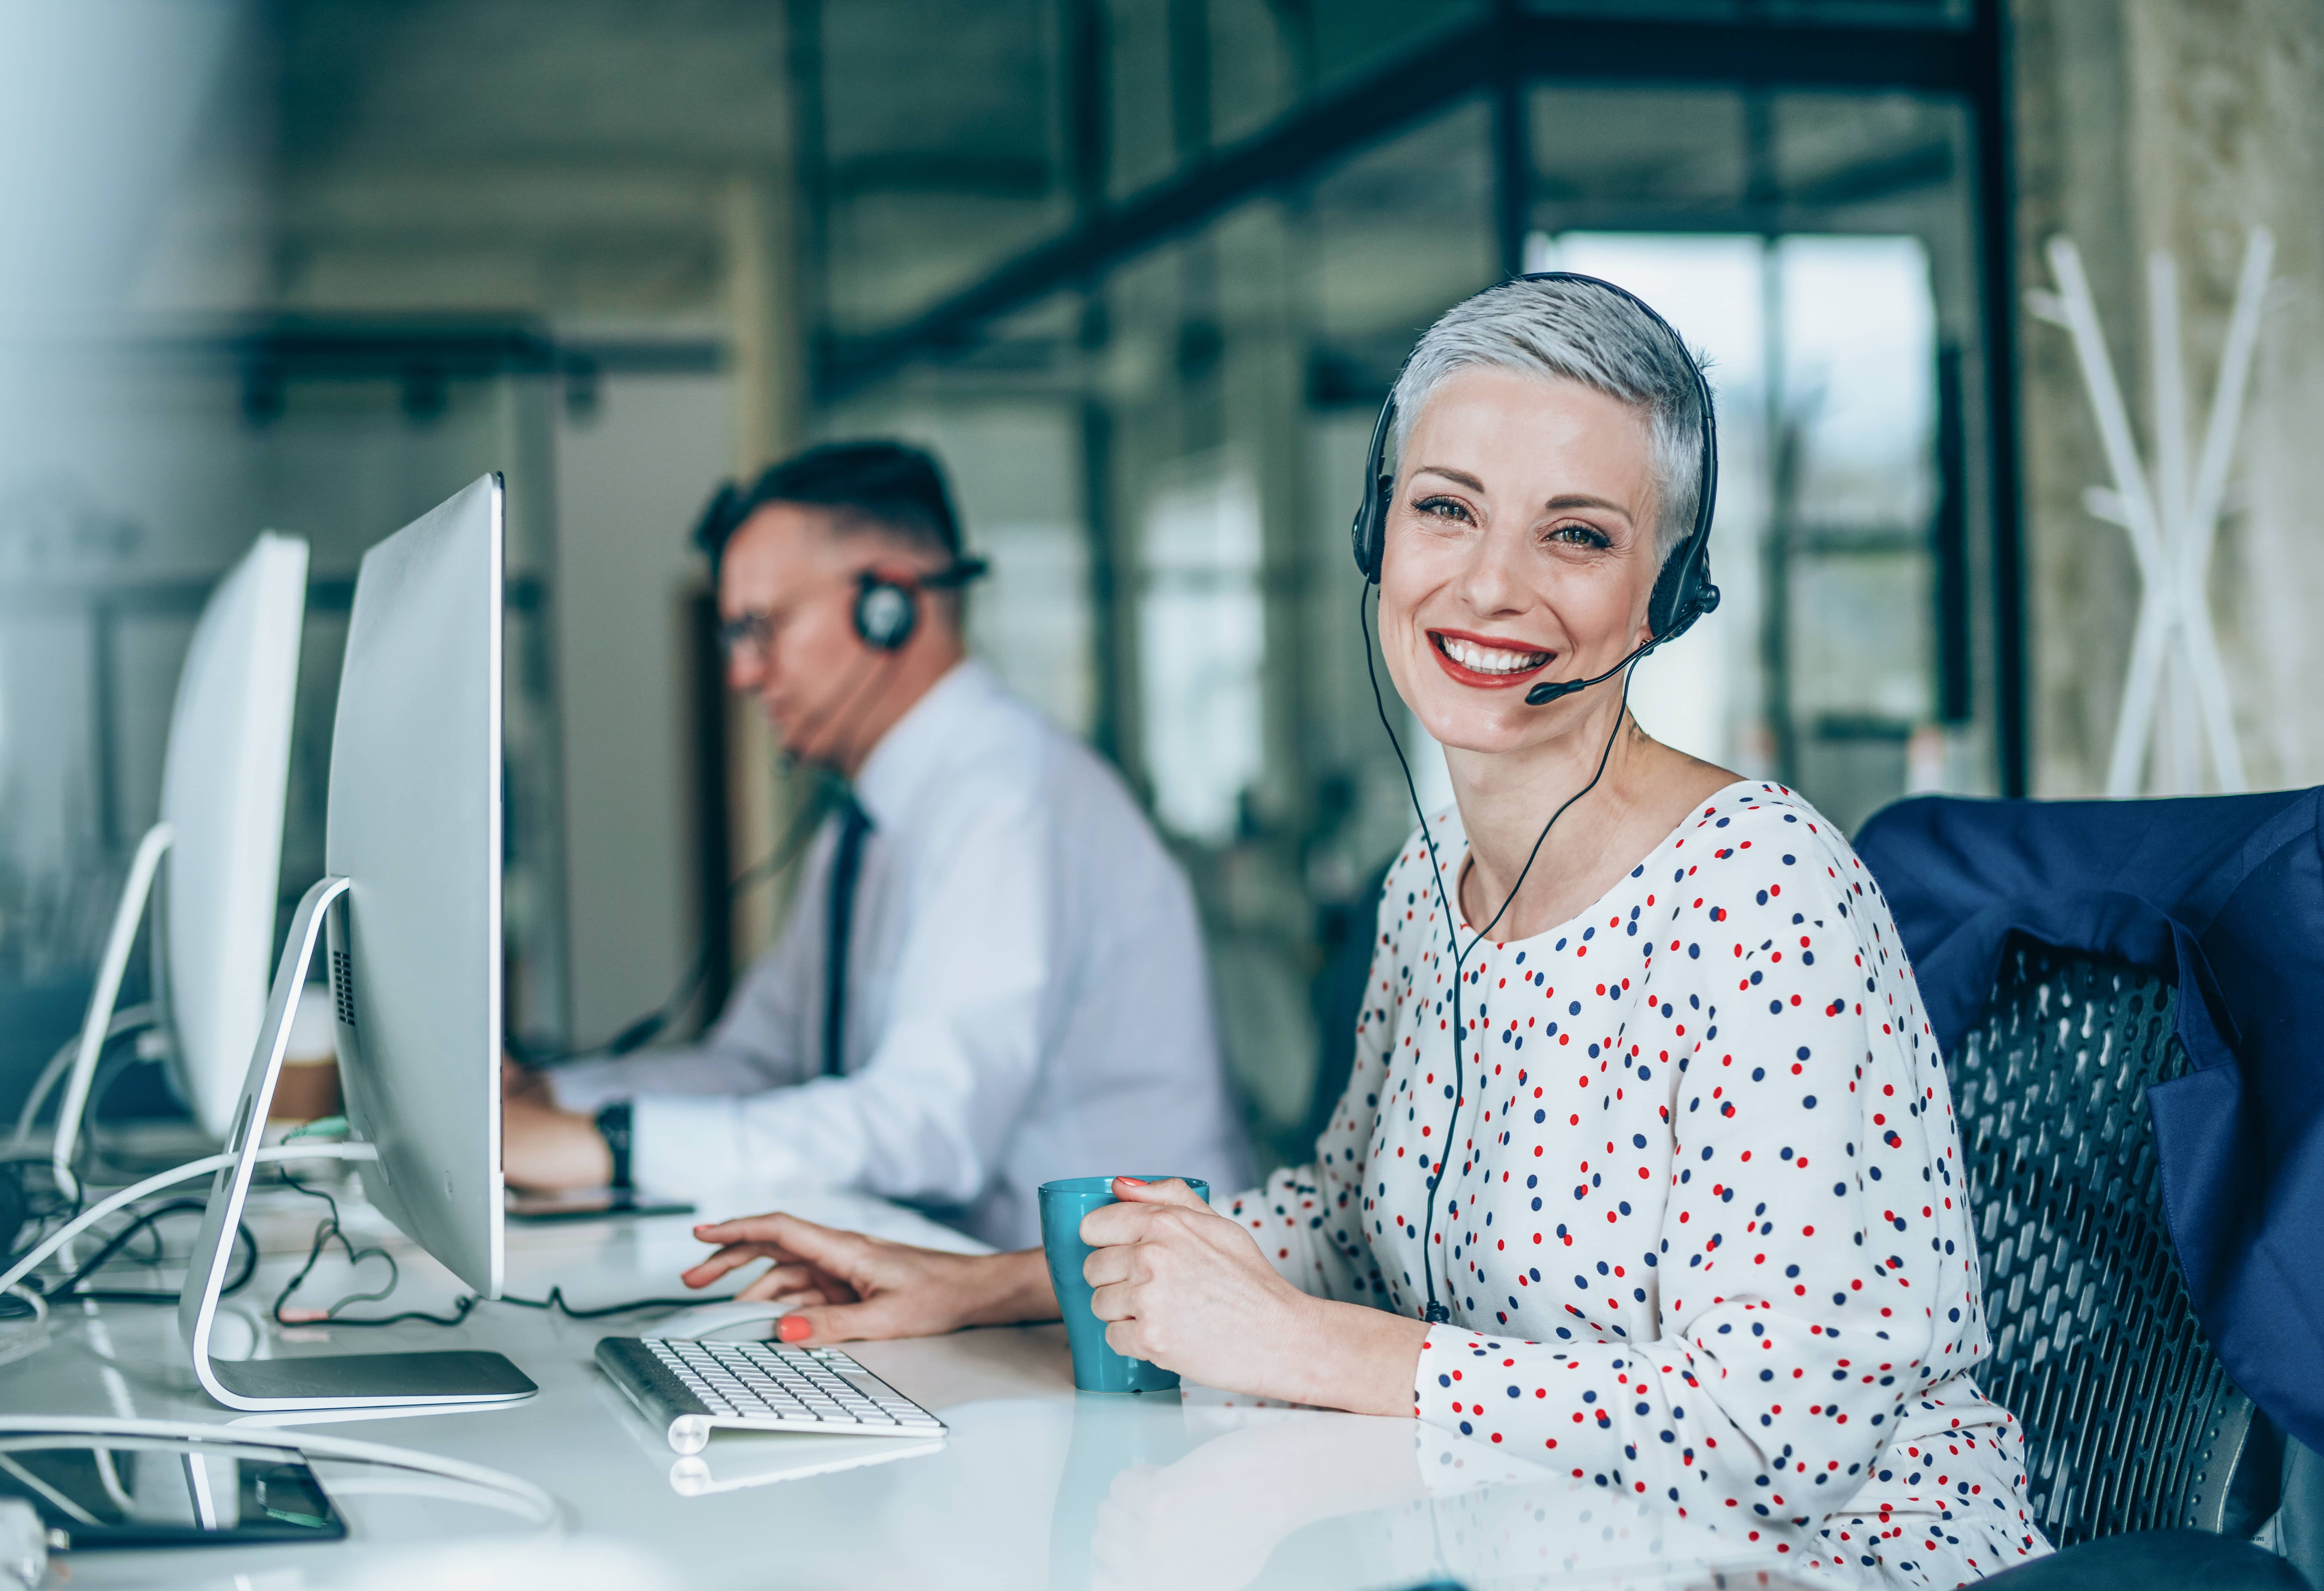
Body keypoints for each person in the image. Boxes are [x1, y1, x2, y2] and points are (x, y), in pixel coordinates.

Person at [670, 283, 2050, 1584]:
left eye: (1577, 534)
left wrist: (1303, 1348)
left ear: (1667, 594)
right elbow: (1339, 1224)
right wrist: (992, 1287)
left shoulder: (1763, 894)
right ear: (1377, 540)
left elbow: (1776, 1436)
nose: (1492, 587)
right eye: (1448, 511)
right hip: (1530, 1543)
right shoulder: (1431, 877)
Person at [502, 441, 1250, 1248]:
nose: (744, 676)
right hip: (978, 1300)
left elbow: (930, 1129)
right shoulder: (868, 820)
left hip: (1109, 1334)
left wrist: (610, 1147)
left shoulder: (1007, 803)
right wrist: (549, 1097)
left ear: (888, 606)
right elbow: (760, 1064)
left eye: (763, 628)